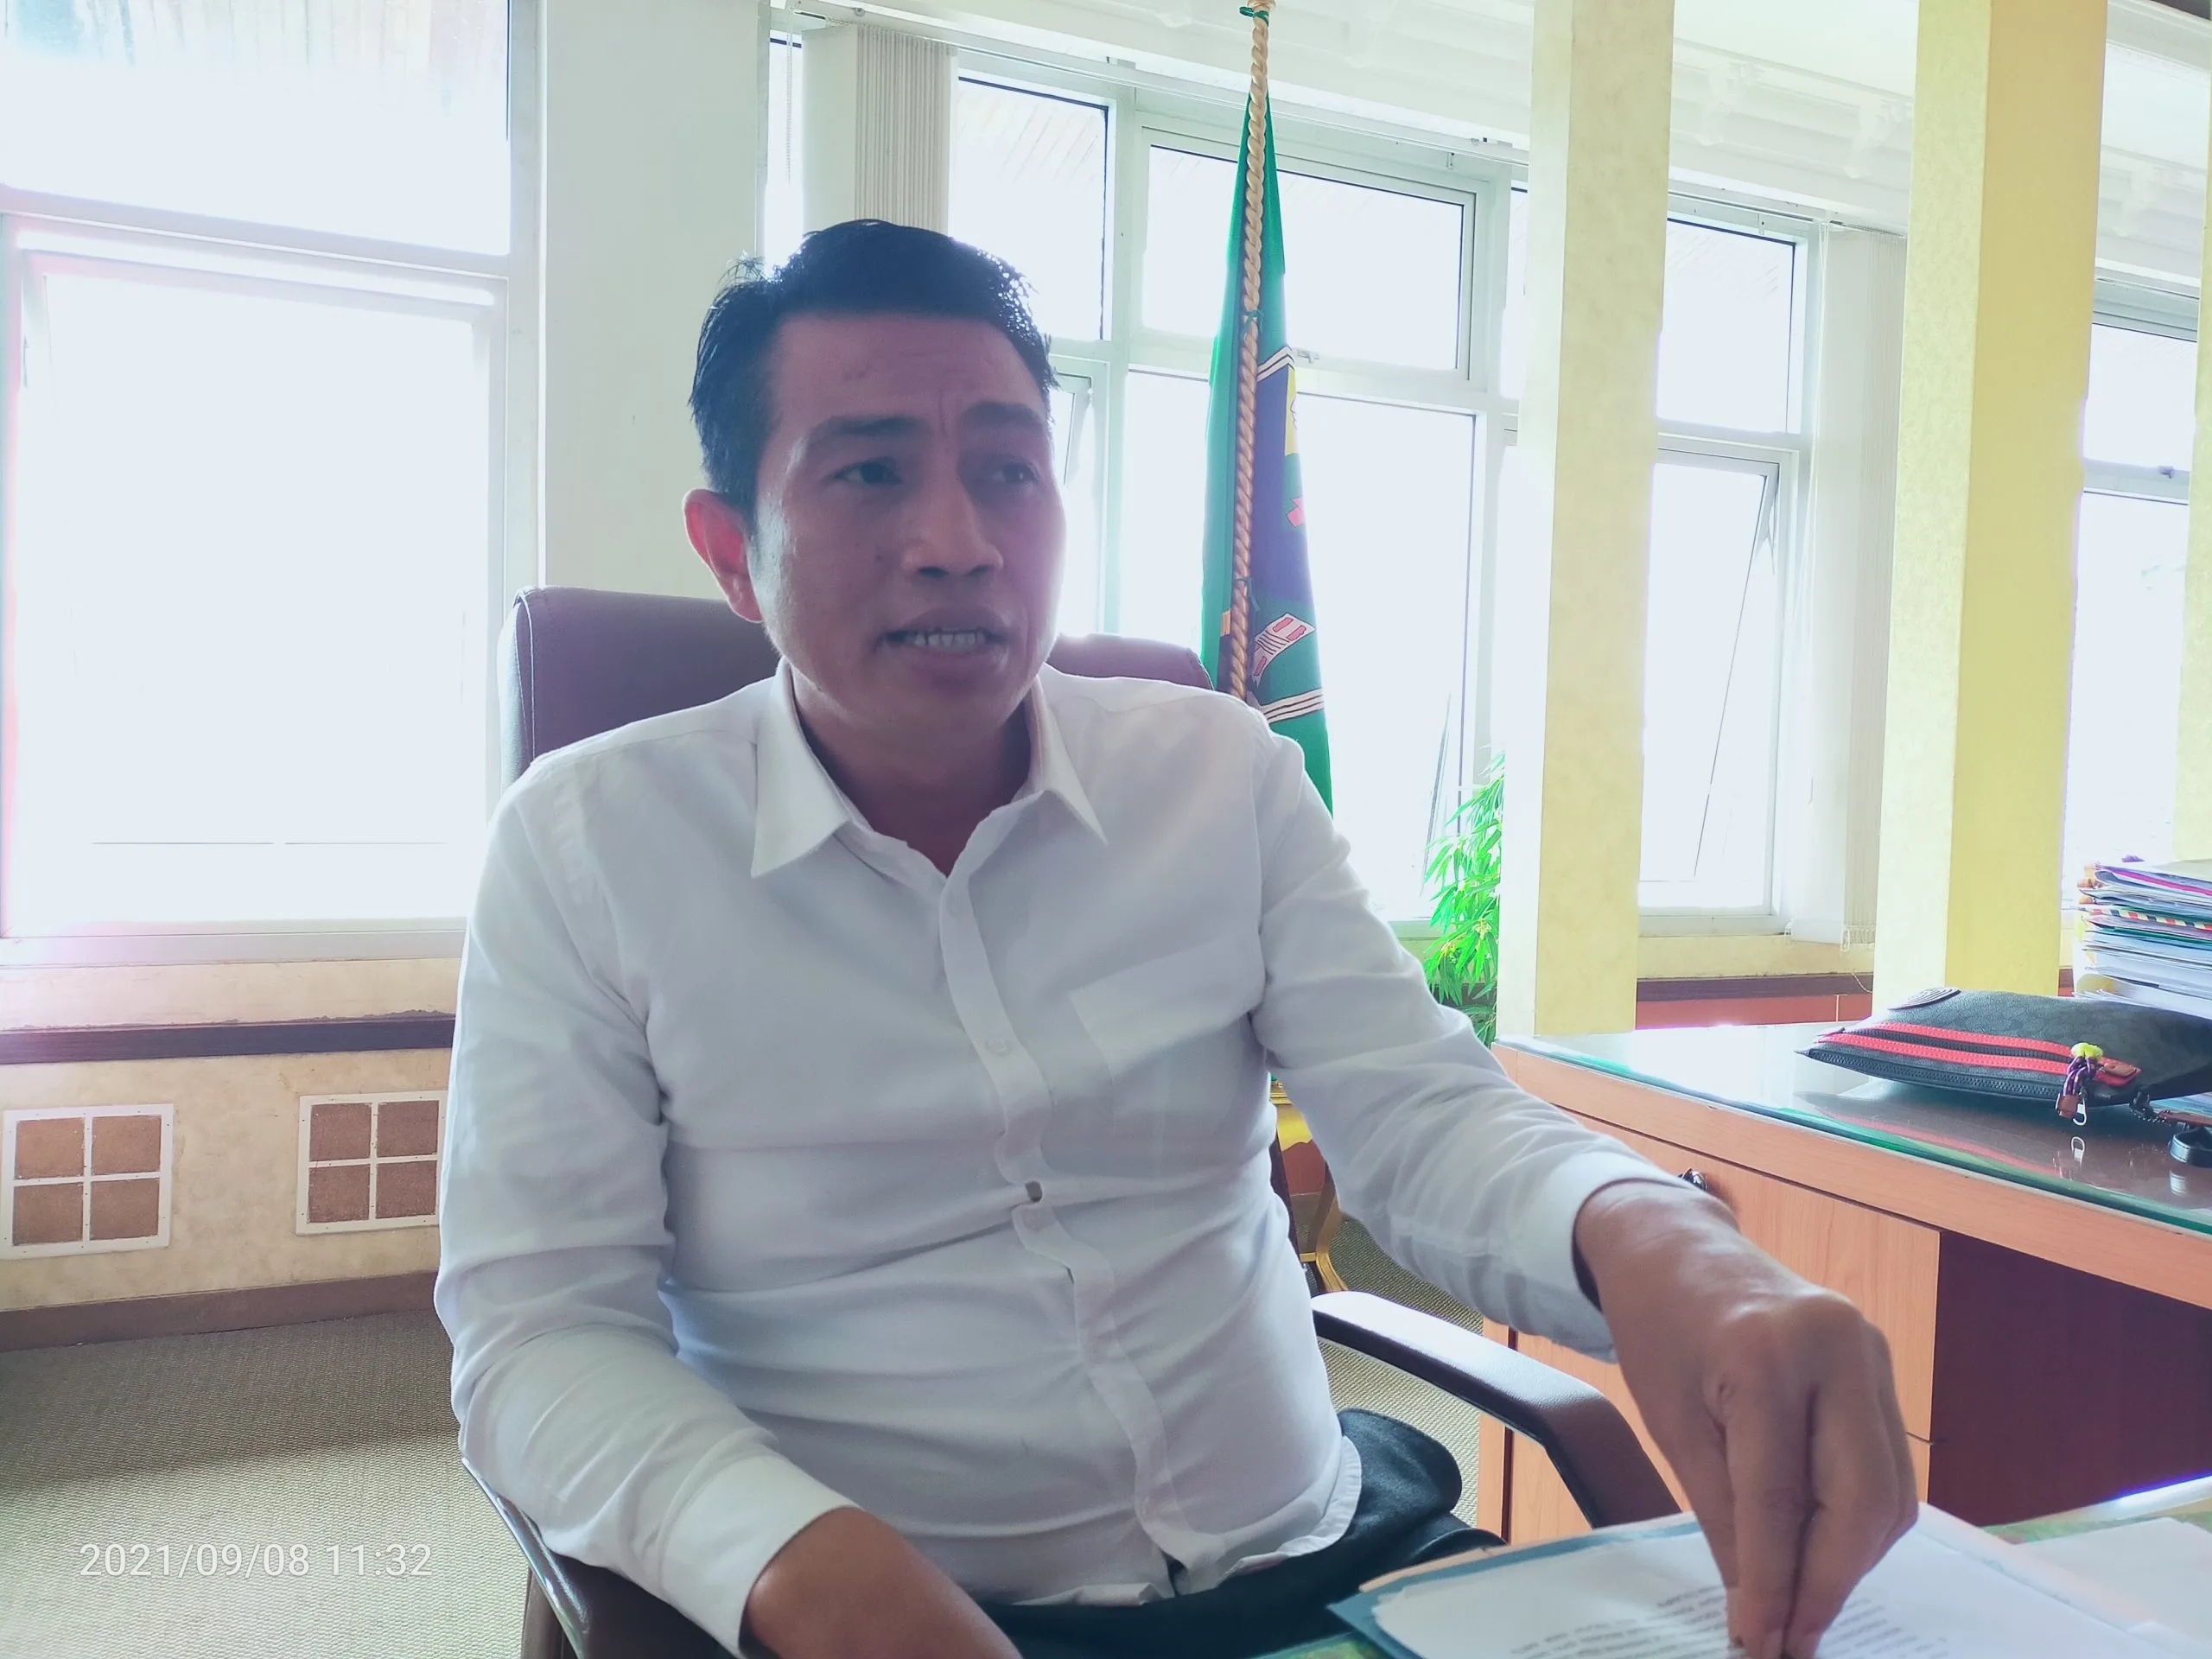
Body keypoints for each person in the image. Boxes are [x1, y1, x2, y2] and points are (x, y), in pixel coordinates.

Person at [436, 220, 1915, 1659]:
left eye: (1008, 471)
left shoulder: (1217, 775)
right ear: (731, 549)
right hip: (896, 1611)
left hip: (1326, 1563)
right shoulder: (589, 847)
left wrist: (1654, 1234)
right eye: (870, 473)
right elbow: (542, 1335)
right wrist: (803, 1564)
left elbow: (1420, 1112)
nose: (958, 544)